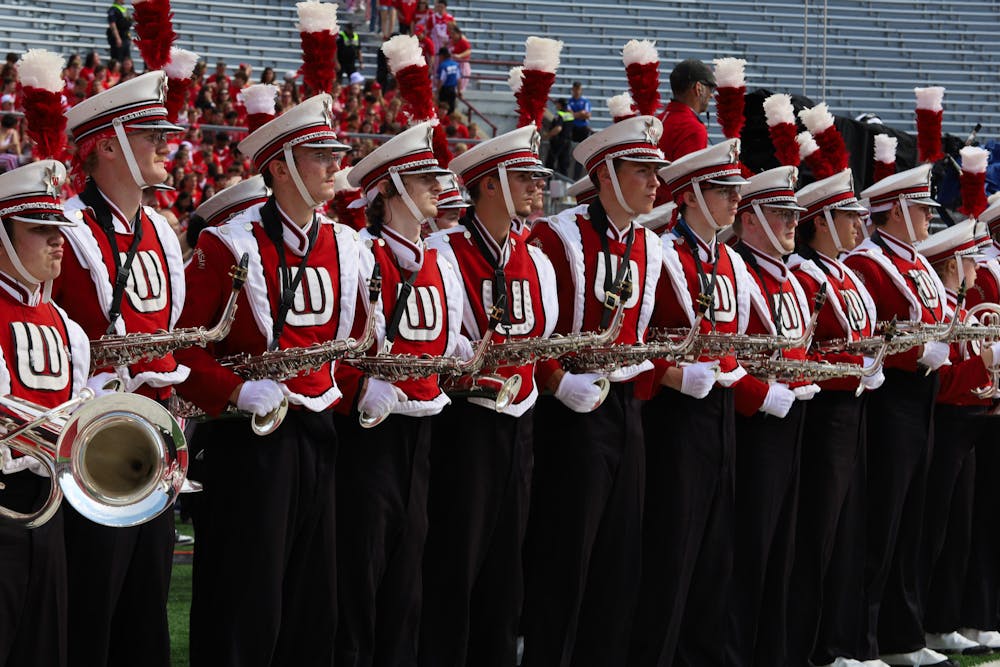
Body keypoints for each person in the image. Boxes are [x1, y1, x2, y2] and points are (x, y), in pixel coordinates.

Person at [175, 93, 362, 667]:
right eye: (319, 155)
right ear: (279, 167)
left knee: (312, 604)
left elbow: (354, 340)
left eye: (335, 153)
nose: (334, 165)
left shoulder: (346, 244)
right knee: (245, 604)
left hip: (319, 434)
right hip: (247, 441)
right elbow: (183, 347)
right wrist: (234, 390)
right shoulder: (226, 242)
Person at [522, 114, 668, 666]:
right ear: (606, 173)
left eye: (656, 171)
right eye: (642, 171)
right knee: (565, 555)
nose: (655, 182)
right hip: (572, 411)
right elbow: (531, 332)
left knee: (619, 557)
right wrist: (557, 381)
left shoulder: (650, 245)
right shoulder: (557, 236)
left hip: (627, 408)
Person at [57, 70, 188, 667]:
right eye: (150, 136)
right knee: (91, 612)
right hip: (90, 446)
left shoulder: (159, 229)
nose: (165, 146)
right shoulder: (63, 227)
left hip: (154, 445)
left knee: (145, 614)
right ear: (107, 146)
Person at [420, 125, 557, 667]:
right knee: (454, 565)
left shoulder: (535, 257)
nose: (536, 186)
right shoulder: (443, 250)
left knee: (506, 572)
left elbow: (542, 338)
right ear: (491, 184)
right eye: (523, 177)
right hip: (465, 424)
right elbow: (442, 340)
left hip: (520, 423)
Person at [334, 121, 460, 667]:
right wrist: (362, 386)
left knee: (407, 584)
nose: (437, 185)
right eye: (423, 178)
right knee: (359, 581)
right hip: (367, 436)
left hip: (422, 432)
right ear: (387, 189)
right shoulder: (359, 253)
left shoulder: (440, 261)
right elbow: (327, 347)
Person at [627, 140, 754, 667]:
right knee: (672, 549)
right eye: (724, 190)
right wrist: (674, 375)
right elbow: (633, 337)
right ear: (692, 195)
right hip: (675, 414)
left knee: (715, 550)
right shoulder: (661, 252)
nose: (735, 200)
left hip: (719, 409)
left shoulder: (728, 258)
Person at [844, 164, 954, 667]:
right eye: (921, 209)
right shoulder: (867, 262)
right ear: (897, 212)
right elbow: (871, 336)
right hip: (890, 399)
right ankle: (863, 639)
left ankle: (903, 636)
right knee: (881, 519)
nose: (929, 218)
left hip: (921, 396)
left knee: (912, 520)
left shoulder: (918, 262)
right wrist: (916, 353)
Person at [784, 168, 885, 667]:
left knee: (847, 529)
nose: (858, 225)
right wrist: (855, 366)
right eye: (847, 216)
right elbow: (810, 348)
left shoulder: (845, 272)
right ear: (821, 221)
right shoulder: (805, 274)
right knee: (817, 532)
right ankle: (808, 646)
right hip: (824, 413)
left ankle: (837, 643)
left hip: (853, 409)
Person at [726, 166, 820, 667]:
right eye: (781, 213)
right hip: (753, 425)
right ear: (751, 219)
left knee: (784, 546)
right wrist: (759, 395)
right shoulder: (739, 270)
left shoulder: (789, 277)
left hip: (792, 420)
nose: (792, 223)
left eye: (793, 213)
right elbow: (721, 351)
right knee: (749, 549)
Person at [0, 160, 90, 667]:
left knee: (45, 649)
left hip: (51, 505)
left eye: (58, 228)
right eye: (39, 229)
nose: (58, 241)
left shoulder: (65, 324)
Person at [915, 221, 996, 658]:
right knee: (938, 529)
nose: (976, 271)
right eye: (970, 262)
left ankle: (945, 622)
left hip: (971, 423)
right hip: (949, 424)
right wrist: (987, 360)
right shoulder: (944, 313)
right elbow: (944, 384)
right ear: (952, 265)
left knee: (959, 530)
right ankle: (930, 623)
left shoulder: (961, 311)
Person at [654, 58, 714, 205]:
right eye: (710, 89)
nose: (712, 95)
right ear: (698, 88)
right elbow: (689, 185)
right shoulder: (693, 127)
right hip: (670, 211)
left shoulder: (658, 119)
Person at [544, 98, 574, 177]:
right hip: (567, 142)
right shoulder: (569, 115)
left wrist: (547, 135)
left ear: (560, 105)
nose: (556, 105)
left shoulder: (560, 114)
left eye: (557, 104)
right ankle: (564, 183)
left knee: (550, 163)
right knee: (563, 166)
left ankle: (549, 182)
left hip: (558, 142)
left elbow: (558, 128)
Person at [448, 23, 472, 92]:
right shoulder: (451, 41)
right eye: (451, 34)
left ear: (458, 33)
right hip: (453, 64)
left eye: (454, 34)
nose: (452, 36)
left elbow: (468, 51)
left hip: (462, 64)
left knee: (461, 84)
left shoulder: (462, 41)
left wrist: (460, 55)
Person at [436, 47, 460, 114]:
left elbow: (441, 80)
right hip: (453, 89)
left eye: (440, 56)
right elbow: (459, 79)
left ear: (442, 56)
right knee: (451, 109)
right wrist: (459, 91)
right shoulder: (456, 65)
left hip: (444, 90)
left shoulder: (442, 66)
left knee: (442, 109)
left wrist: (437, 91)